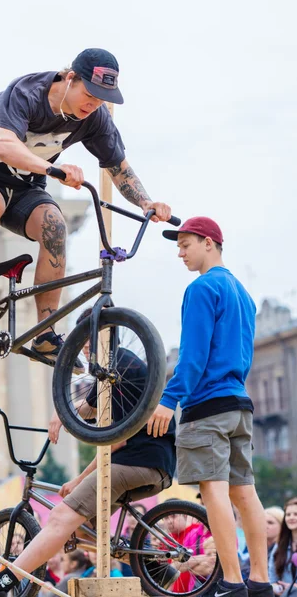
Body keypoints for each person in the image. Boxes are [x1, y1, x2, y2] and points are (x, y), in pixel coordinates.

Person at [0, 47, 172, 367]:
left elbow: (119, 167)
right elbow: (6, 146)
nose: (92, 104)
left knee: (55, 226)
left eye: (102, 98)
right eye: (89, 93)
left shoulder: (94, 118)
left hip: (26, 188)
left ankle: (45, 332)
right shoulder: (27, 93)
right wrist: (53, 171)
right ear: (70, 78)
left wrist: (146, 202)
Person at [0, 309, 177, 597]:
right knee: (78, 530)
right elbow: (86, 410)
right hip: (157, 465)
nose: (86, 348)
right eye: (83, 342)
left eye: (89, 341)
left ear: (106, 336)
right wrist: (60, 415)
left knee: (59, 519)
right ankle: (157, 569)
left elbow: (115, 443)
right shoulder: (119, 365)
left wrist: (79, 479)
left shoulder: (118, 370)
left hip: (135, 462)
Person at [146, 216, 273, 597]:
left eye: (186, 244)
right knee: (244, 491)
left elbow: (193, 354)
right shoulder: (242, 293)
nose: (180, 253)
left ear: (209, 243)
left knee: (214, 489)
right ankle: (261, 582)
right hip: (238, 401)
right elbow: (243, 354)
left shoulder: (202, 288)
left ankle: (232, 582)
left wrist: (170, 399)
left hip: (208, 405)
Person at [269, 497, 297, 596]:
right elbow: (272, 577)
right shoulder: (280, 545)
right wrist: (276, 587)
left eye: (295, 514)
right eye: (288, 514)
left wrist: (293, 588)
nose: (291, 517)